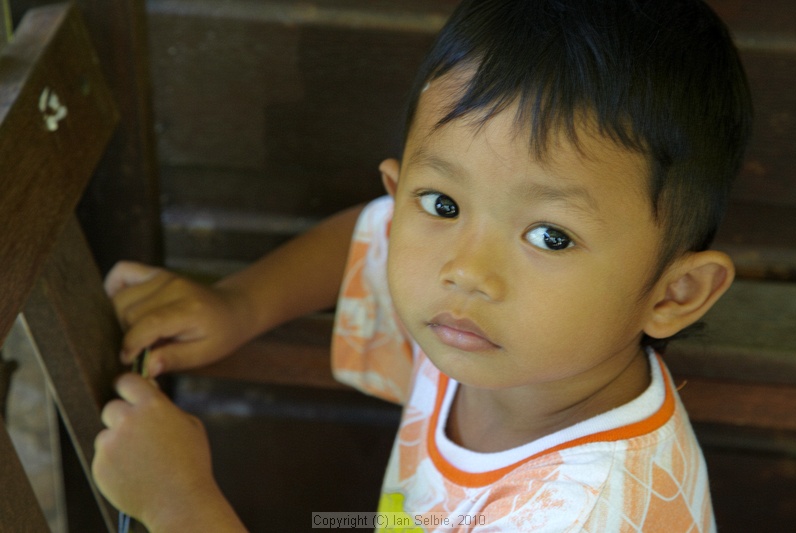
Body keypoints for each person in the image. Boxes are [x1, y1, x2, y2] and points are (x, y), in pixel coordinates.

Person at [92, 0, 752, 530]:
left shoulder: (587, 512)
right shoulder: (499, 336)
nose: (467, 268)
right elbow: (374, 235)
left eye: (550, 236)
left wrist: (180, 504)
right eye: (440, 201)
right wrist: (237, 306)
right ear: (397, 185)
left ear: (675, 293)